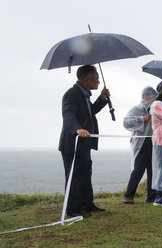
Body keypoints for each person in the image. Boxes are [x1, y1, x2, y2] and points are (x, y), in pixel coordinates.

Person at [59, 65, 110, 218]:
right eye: (97, 78)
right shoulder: (72, 94)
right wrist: (77, 129)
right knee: (75, 176)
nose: (99, 82)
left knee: (85, 174)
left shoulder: (85, 95)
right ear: (88, 79)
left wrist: (102, 99)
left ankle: (87, 204)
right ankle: (73, 209)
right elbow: (68, 115)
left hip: (84, 143)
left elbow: (90, 112)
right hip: (73, 143)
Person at [122, 87, 158, 204]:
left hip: (153, 142)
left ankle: (151, 196)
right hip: (141, 143)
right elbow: (126, 122)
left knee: (152, 170)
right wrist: (142, 119)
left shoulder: (155, 109)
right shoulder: (137, 109)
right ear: (146, 97)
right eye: (152, 97)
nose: (154, 100)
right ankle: (129, 196)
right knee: (138, 170)